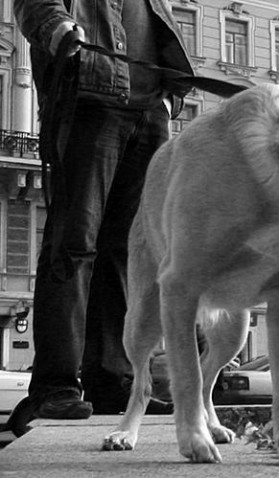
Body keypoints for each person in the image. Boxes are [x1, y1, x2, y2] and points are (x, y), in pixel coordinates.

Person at [8, 0, 194, 434]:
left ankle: (111, 380)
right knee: (73, 245)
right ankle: (54, 386)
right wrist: (58, 29)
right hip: (90, 101)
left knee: (124, 254)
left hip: (148, 112)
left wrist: (165, 99)